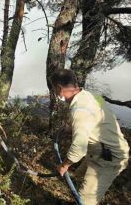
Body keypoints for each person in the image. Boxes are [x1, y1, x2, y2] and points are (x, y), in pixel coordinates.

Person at [50, 69, 129, 205]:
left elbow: (79, 148)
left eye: (54, 90)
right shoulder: (92, 96)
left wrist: (64, 165)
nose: (55, 94)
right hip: (101, 150)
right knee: (79, 175)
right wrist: (71, 127)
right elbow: (99, 115)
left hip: (109, 159)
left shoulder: (79, 109)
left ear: (59, 88)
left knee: (86, 201)